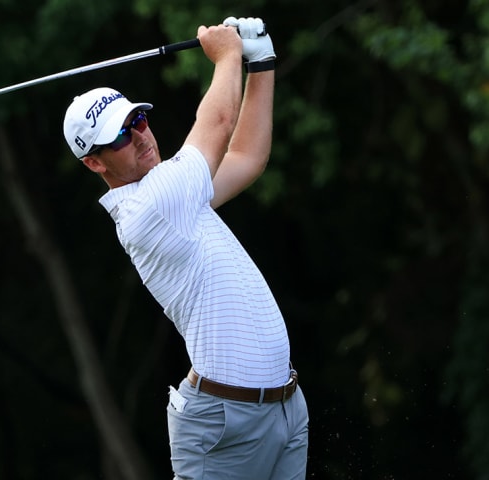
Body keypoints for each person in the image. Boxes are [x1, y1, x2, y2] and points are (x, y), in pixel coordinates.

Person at [62, 17, 309, 479]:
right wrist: (226, 53)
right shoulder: (151, 207)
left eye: (138, 119)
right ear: (94, 162)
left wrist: (262, 65)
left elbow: (246, 158)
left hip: (283, 410)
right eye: (120, 135)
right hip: (225, 425)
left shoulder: (174, 190)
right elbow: (217, 122)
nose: (140, 135)